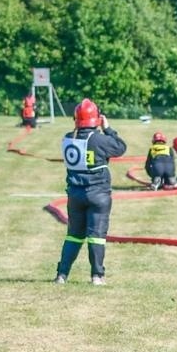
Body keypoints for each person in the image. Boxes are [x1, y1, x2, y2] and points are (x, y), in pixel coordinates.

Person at [53, 99, 125, 285]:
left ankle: (62, 274)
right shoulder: (100, 139)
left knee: (73, 235)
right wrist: (108, 128)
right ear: (97, 118)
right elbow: (120, 147)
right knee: (97, 236)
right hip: (98, 194)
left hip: (75, 195)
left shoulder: (68, 138)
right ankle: (97, 276)